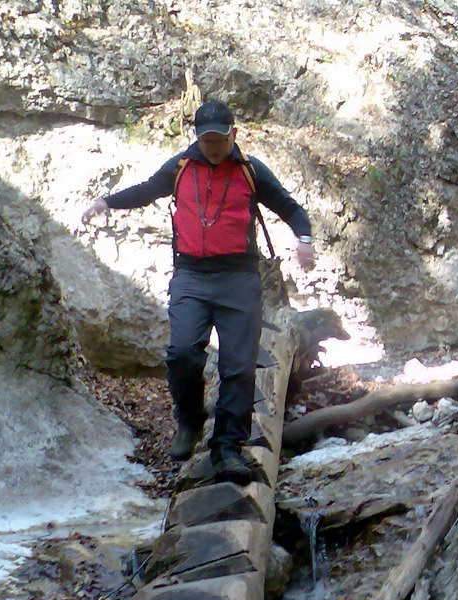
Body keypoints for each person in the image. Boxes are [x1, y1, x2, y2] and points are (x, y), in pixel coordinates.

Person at [82, 101, 315, 485]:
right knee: (183, 353)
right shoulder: (180, 168)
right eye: (206, 140)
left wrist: (304, 239)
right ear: (196, 138)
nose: (213, 146)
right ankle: (189, 421)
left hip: (239, 276)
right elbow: (146, 191)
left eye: (220, 139)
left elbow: (290, 208)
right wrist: (106, 201)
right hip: (190, 275)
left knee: (239, 367)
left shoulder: (251, 171)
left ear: (233, 135)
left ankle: (227, 447)